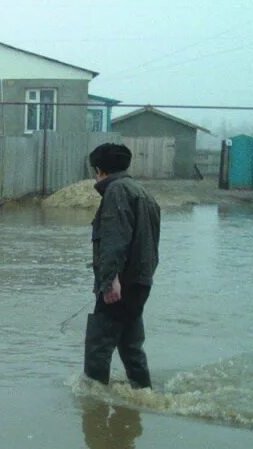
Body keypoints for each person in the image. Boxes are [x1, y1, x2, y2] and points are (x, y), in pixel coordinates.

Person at [85, 143, 160, 389]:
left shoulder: (116, 192)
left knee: (99, 346)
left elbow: (114, 239)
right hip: (140, 281)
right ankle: (143, 393)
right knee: (131, 345)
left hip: (121, 284)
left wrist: (109, 281)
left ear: (99, 170)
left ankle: (93, 403)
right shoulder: (142, 191)